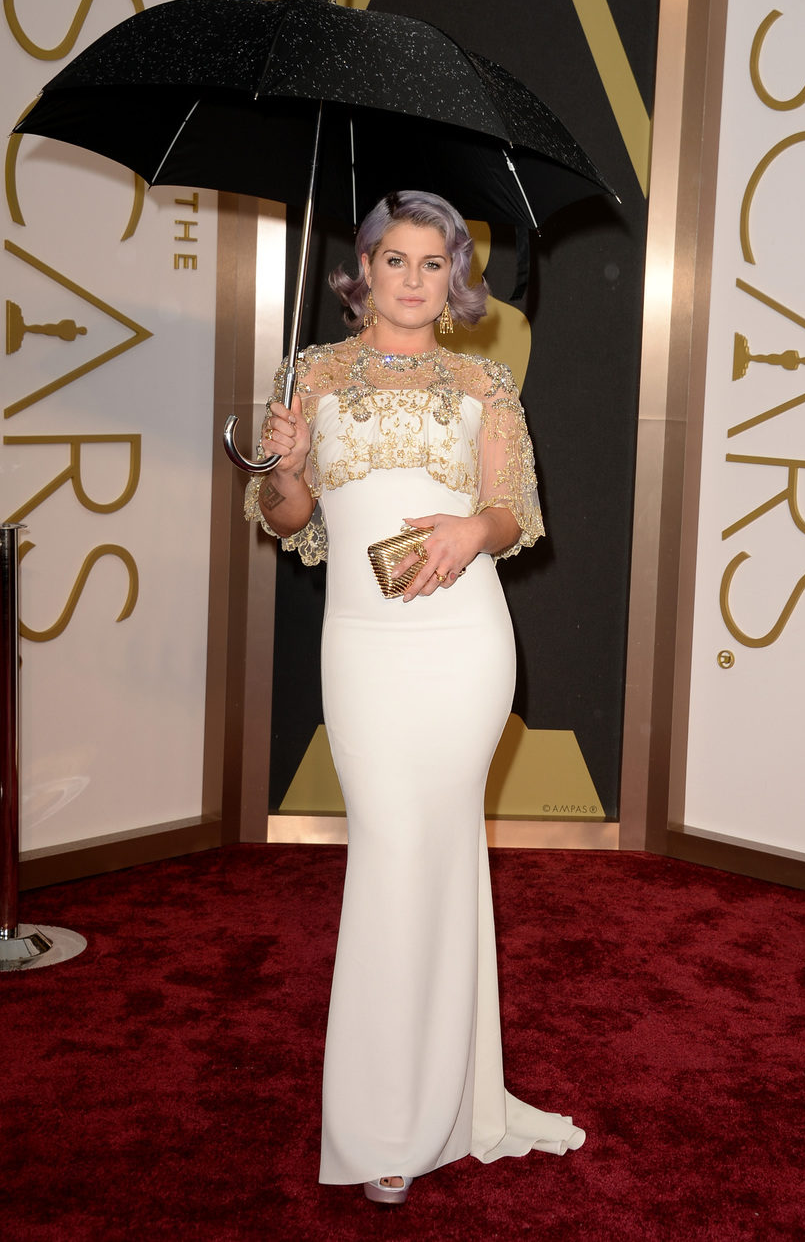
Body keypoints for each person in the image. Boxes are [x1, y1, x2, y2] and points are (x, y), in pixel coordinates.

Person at [245, 190, 584, 1204]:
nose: (411, 278)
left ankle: (429, 1107)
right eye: (394, 258)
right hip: (363, 649)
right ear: (361, 269)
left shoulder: (482, 382)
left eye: (432, 262)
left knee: (438, 853)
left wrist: (465, 535)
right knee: (391, 852)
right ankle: (387, 1114)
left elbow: (512, 511)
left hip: (465, 646)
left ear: (455, 279)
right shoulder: (310, 374)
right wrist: (285, 466)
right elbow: (285, 517)